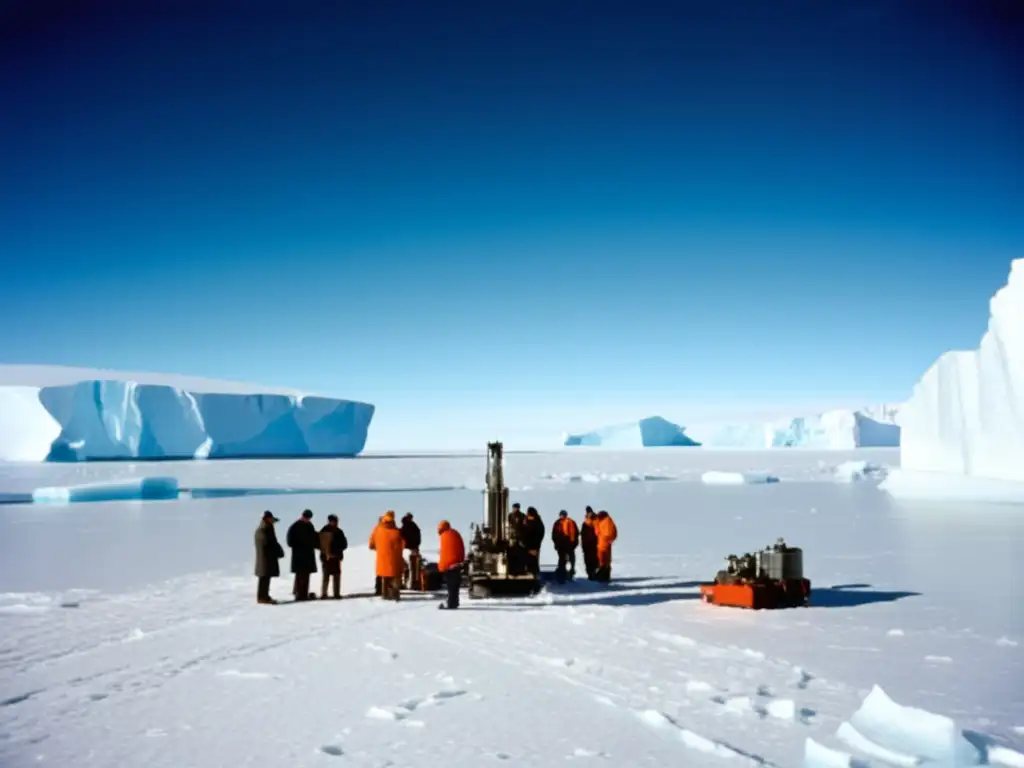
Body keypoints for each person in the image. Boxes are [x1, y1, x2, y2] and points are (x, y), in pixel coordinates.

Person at [286, 509, 319, 601]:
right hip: (299, 555)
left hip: (308, 555)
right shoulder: (295, 526)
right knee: (301, 575)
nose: (307, 519)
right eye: (306, 517)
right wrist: (300, 545)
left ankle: (302, 593)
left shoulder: (309, 525)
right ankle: (300, 594)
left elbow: (314, 538)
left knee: (305, 575)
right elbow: (290, 542)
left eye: (308, 518)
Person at [254, 510, 285, 604]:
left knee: (265, 578)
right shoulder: (263, 530)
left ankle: (265, 596)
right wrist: (276, 549)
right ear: (267, 519)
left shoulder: (266, 528)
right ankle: (262, 597)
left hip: (267, 558)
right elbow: (266, 543)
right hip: (265, 559)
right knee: (264, 578)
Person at [374, 511, 405, 600]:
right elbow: (403, 544)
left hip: (382, 558)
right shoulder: (397, 531)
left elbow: (371, 543)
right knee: (395, 577)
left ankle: (385, 594)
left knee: (384, 576)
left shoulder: (377, 529)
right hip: (394, 558)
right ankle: (395, 595)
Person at [436, 520, 465, 610]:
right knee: (455, 585)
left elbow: (443, 553)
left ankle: (451, 604)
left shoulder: (443, 536)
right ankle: (455, 602)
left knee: (451, 586)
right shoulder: (456, 533)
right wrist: (460, 561)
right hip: (456, 564)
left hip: (448, 565)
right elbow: (461, 548)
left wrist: (441, 567)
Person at [319, 513, 348, 599]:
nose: (335, 523)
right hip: (328, 557)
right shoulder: (328, 531)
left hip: (332, 557)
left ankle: (333, 593)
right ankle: (327, 594)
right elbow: (320, 544)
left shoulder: (337, 531)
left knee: (334, 576)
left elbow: (344, 544)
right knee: (328, 577)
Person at [551, 510, 579, 582]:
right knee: (562, 559)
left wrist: (574, 544)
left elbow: (576, 533)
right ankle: (562, 573)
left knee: (571, 559)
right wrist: (556, 543)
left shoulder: (571, 522)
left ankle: (570, 571)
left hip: (569, 543)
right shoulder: (557, 523)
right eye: (561, 515)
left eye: (563, 515)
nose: (562, 516)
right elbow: (554, 534)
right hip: (561, 544)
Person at [594, 510, 618, 583]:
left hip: (604, 545)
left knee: (605, 562)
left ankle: (604, 577)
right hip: (601, 544)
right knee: (602, 561)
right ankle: (603, 577)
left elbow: (612, 533)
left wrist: (608, 540)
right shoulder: (600, 521)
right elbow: (597, 529)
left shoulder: (607, 521)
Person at [400, 512, 422, 588]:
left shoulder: (403, 528)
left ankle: (405, 582)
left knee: (406, 567)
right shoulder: (415, 527)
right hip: (413, 549)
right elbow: (418, 539)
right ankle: (413, 583)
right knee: (413, 568)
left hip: (404, 549)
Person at [522, 507, 545, 577]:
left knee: (533, 564)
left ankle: (534, 579)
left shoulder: (536, 523)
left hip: (533, 546)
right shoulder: (529, 521)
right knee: (529, 563)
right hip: (528, 546)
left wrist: (534, 547)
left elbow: (538, 535)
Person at [368, 513, 386, 595]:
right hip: (388, 554)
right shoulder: (389, 529)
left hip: (380, 554)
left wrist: (373, 546)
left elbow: (371, 541)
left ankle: (379, 589)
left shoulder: (376, 529)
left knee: (380, 572)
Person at [580, 508, 598, 580]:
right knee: (589, 560)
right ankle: (591, 574)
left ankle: (592, 573)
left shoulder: (595, 522)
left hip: (593, 544)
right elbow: (582, 535)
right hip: (588, 545)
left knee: (593, 560)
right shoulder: (585, 523)